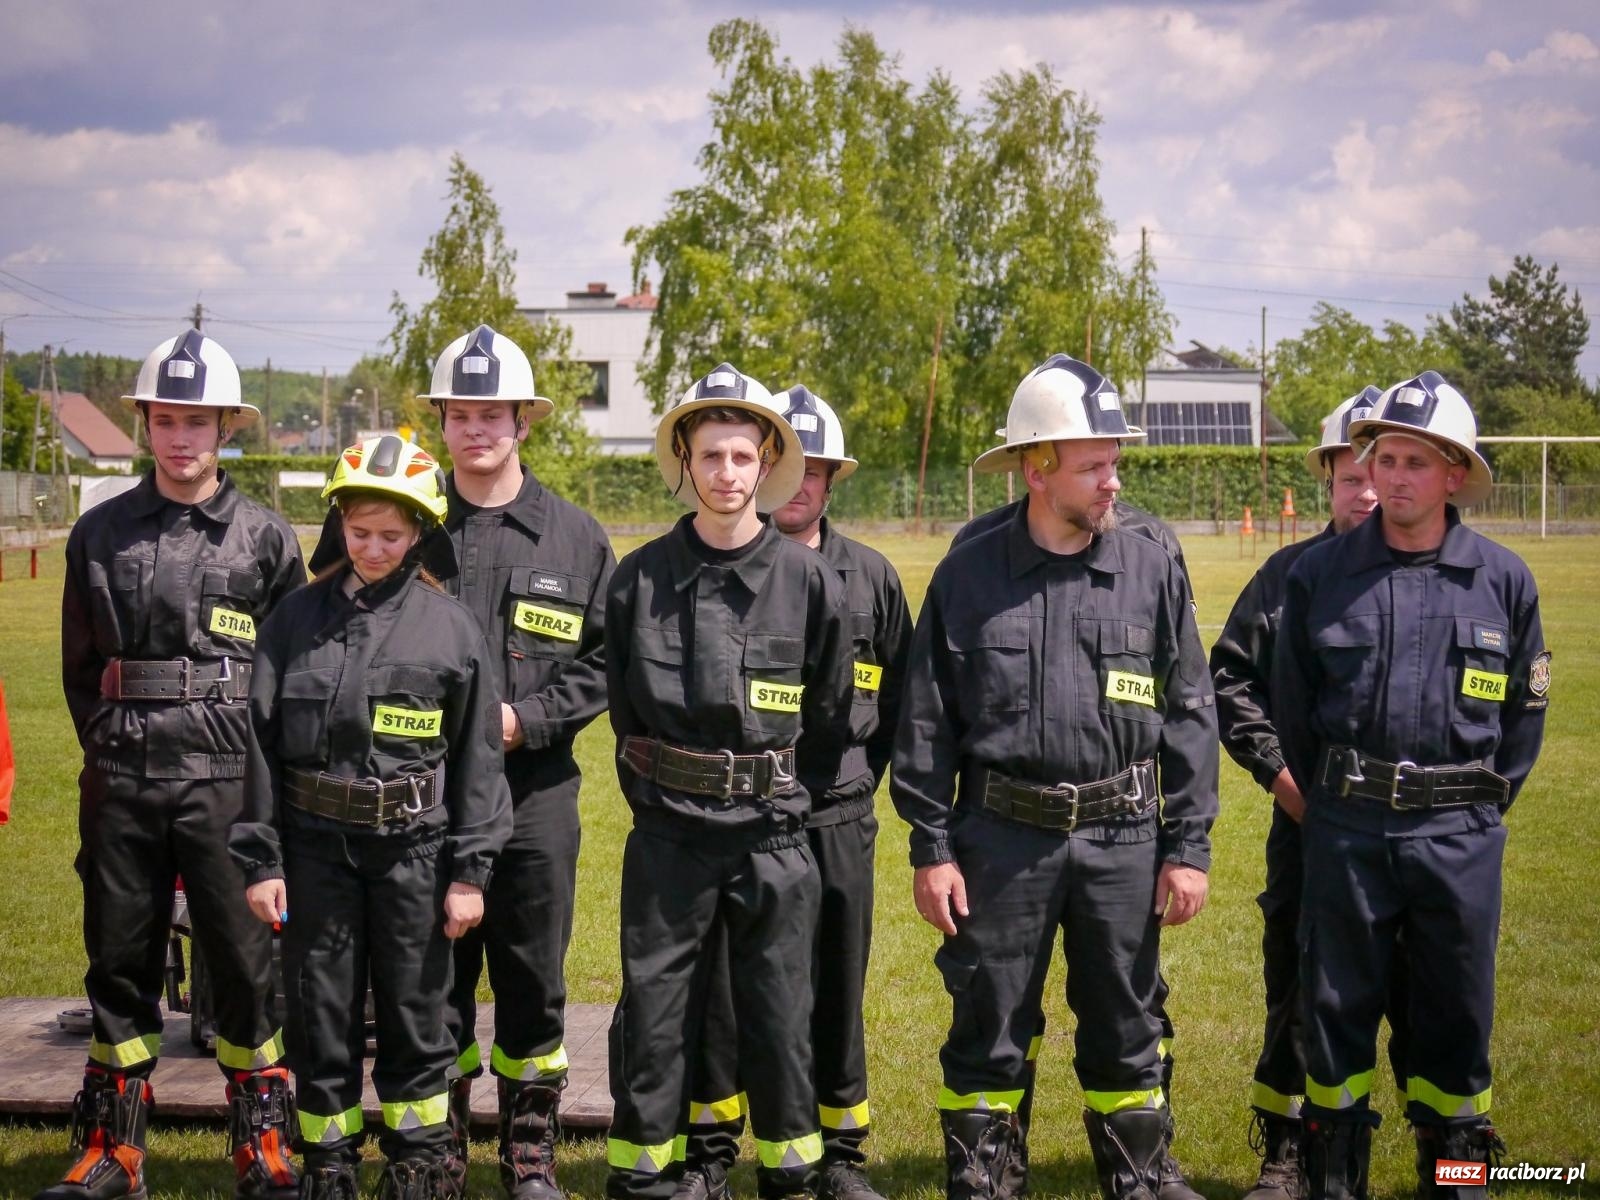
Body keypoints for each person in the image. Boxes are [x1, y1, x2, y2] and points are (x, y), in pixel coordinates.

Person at [892, 354, 1218, 1200]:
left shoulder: (1151, 562)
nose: (1113, 481)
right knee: (990, 1023)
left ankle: (1140, 1176)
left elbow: (1188, 711)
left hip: (1123, 837)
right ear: (1038, 469)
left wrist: (1188, 848)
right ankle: (986, 1176)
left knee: (1128, 1020)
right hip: (1001, 840)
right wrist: (931, 848)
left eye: (1116, 461)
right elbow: (927, 719)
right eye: (1094, 465)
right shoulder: (968, 572)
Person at [1273, 371, 1548, 1200]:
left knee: (1456, 1028)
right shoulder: (1318, 577)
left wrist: (1472, 812)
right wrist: (1339, 807)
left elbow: (1522, 727)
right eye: (1384, 457)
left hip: (1459, 840)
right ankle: (1333, 1184)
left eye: (1415, 463)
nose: (1393, 477)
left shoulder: (1504, 582)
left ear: (1454, 474)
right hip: (1349, 832)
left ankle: (1457, 1180)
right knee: (1334, 1018)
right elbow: (1293, 708)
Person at [48, 330, 305, 1200]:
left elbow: (289, 677)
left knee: (242, 962)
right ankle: (112, 1151)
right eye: (167, 419)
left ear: (226, 426)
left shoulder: (265, 539)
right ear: (146, 425)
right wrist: (115, 746)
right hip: (121, 780)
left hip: (230, 784)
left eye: (199, 421)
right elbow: (81, 673)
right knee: (118, 961)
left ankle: (261, 1143)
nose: (182, 438)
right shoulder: (97, 533)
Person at [232, 436, 512, 1200]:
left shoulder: (451, 629)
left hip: (413, 855)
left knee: (418, 1013)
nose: (375, 548)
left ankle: (419, 1163)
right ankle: (328, 1164)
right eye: (360, 532)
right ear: (338, 525)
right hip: (315, 853)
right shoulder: (291, 623)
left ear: (421, 532)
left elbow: (481, 762)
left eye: (392, 535)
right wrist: (262, 862)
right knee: (320, 1011)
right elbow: (257, 747)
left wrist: (470, 874)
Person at [603, 364, 854, 1200]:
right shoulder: (636, 580)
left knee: (782, 1018)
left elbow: (828, 717)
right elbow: (623, 715)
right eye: (711, 455)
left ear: (766, 463)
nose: (727, 473)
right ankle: (645, 1179)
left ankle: (790, 1179)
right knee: (657, 1014)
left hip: (774, 837)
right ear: (684, 458)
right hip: (669, 838)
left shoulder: (809, 582)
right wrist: (670, 791)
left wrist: (775, 794)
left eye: (743, 457)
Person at [679, 386, 913, 1200]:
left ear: (830, 479)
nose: (802, 485)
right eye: (794, 468)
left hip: (837, 813)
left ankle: (840, 1155)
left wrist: (851, 785)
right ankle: (710, 1149)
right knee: (723, 986)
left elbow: (894, 708)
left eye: (818, 471)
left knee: (834, 981)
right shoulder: (724, 569)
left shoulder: (872, 578)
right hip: (740, 817)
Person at [418, 325, 615, 1200]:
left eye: (490, 412)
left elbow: (607, 662)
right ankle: (444, 1143)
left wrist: (525, 719)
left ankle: (529, 1151)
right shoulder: (406, 525)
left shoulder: (574, 538)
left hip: (534, 794)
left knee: (533, 976)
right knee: (434, 976)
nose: (475, 429)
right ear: (443, 422)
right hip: (422, 798)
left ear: (522, 421)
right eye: (459, 413)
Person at [1210, 388, 1388, 1200]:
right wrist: (1283, 781)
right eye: (1351, 476)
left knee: (1428, 1002)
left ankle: (1450, 1158)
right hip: (1310, 826)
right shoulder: (1286, 578)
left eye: (1380, 473)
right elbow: (1229, 682)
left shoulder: (1447, 581)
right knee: (1297, 991)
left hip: (1418, 839)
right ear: (1326, 477)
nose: (1368, 491)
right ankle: (1287, 1154)